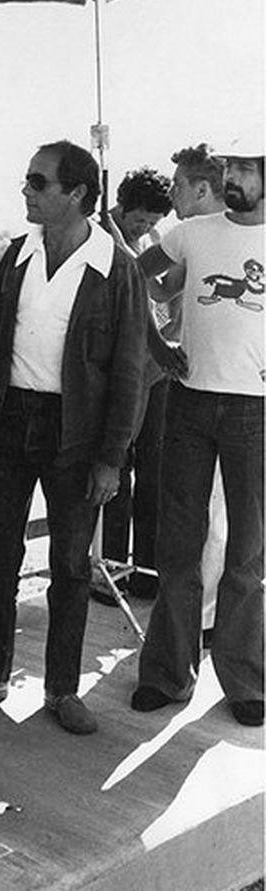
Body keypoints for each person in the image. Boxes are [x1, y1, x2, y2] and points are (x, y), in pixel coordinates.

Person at [0, 141, 148, 734]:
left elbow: (130, 371)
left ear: (76, 193)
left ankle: (61, 689)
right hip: (9, 426)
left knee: (71, 567)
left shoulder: (116, 268)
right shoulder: (16, 255)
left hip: (76, 435)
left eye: (38, 181)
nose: (25, 189)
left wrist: (112, 459)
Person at [132, 142, 264, 727]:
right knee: (178, 545)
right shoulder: (192, 233)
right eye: (230, 166)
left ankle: (244, 680)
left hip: (256, 413)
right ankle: (167, 673)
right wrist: (159, 346)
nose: (233, 176)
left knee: (248, 554)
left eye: (246, 168)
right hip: (188, 403)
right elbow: (134, 281)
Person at [148, 144, 227, 639]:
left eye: (178, 184)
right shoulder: (190, 238)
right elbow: (157, 287)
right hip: (201, 391)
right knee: (204, 515)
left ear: (201, 189)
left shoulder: (212, 232)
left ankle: (207, 620)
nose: (171, 192)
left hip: (234, 397)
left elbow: (147, 285)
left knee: (217, 516)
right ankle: (199, 622)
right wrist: (158, 342)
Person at [95, 166, 173, 600]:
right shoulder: (99, 233)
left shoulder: (154, 241)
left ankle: (147, 570)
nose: (144, 227)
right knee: (116, 468)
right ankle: (111, 571)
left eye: (152, 222)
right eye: (138, 218)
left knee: (154, 469)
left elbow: (161, 289)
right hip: (122, 367)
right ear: (121, 203)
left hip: (157, 367)